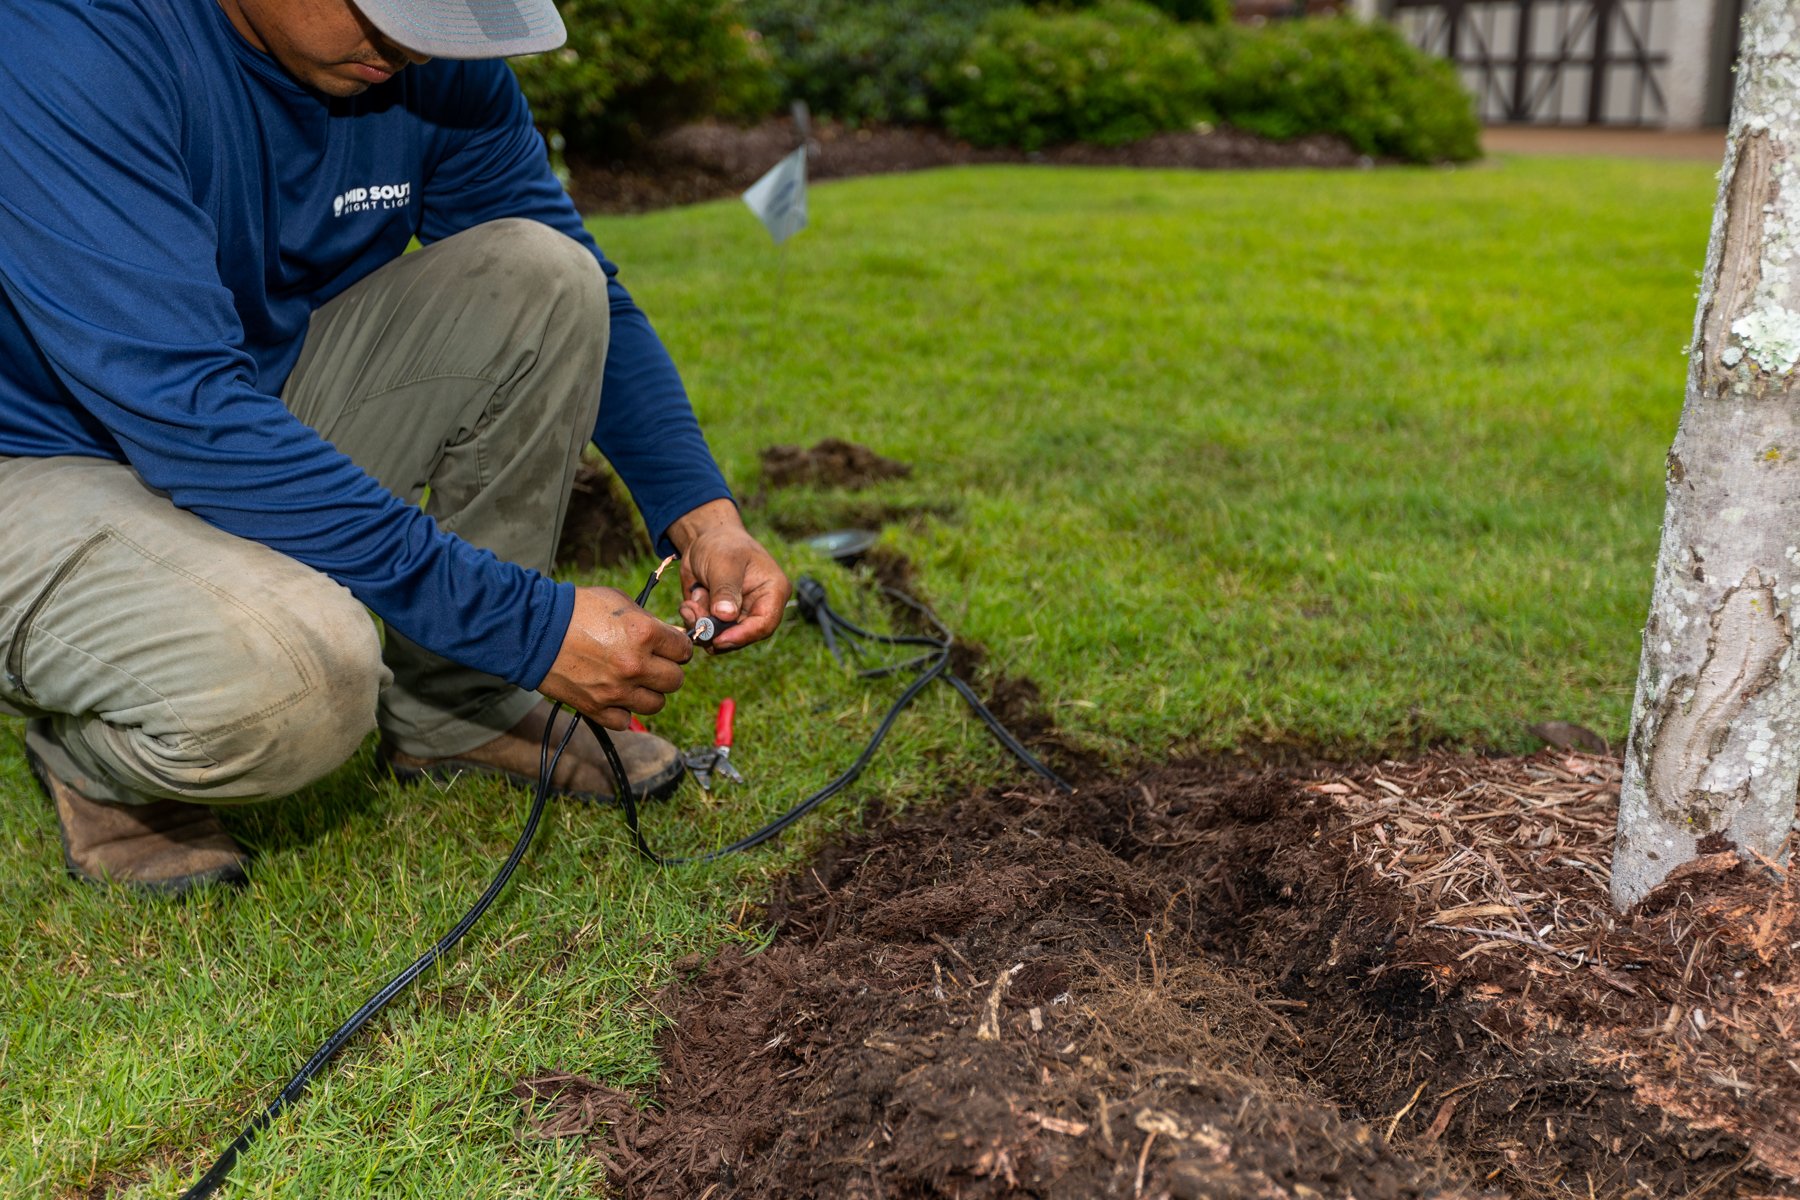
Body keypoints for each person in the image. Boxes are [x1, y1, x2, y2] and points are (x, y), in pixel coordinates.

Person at [0, 0, 791, 896]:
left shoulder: (423, 57)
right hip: (37, 457)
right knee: (304, 677)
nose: (417, 43)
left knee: (544, 276)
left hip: (237, 401)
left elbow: (586, 294)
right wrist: (524, 624)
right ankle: (100, 766)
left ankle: (457, 709)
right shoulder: (67, 37)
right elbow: (187, 413)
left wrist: (702, 516)